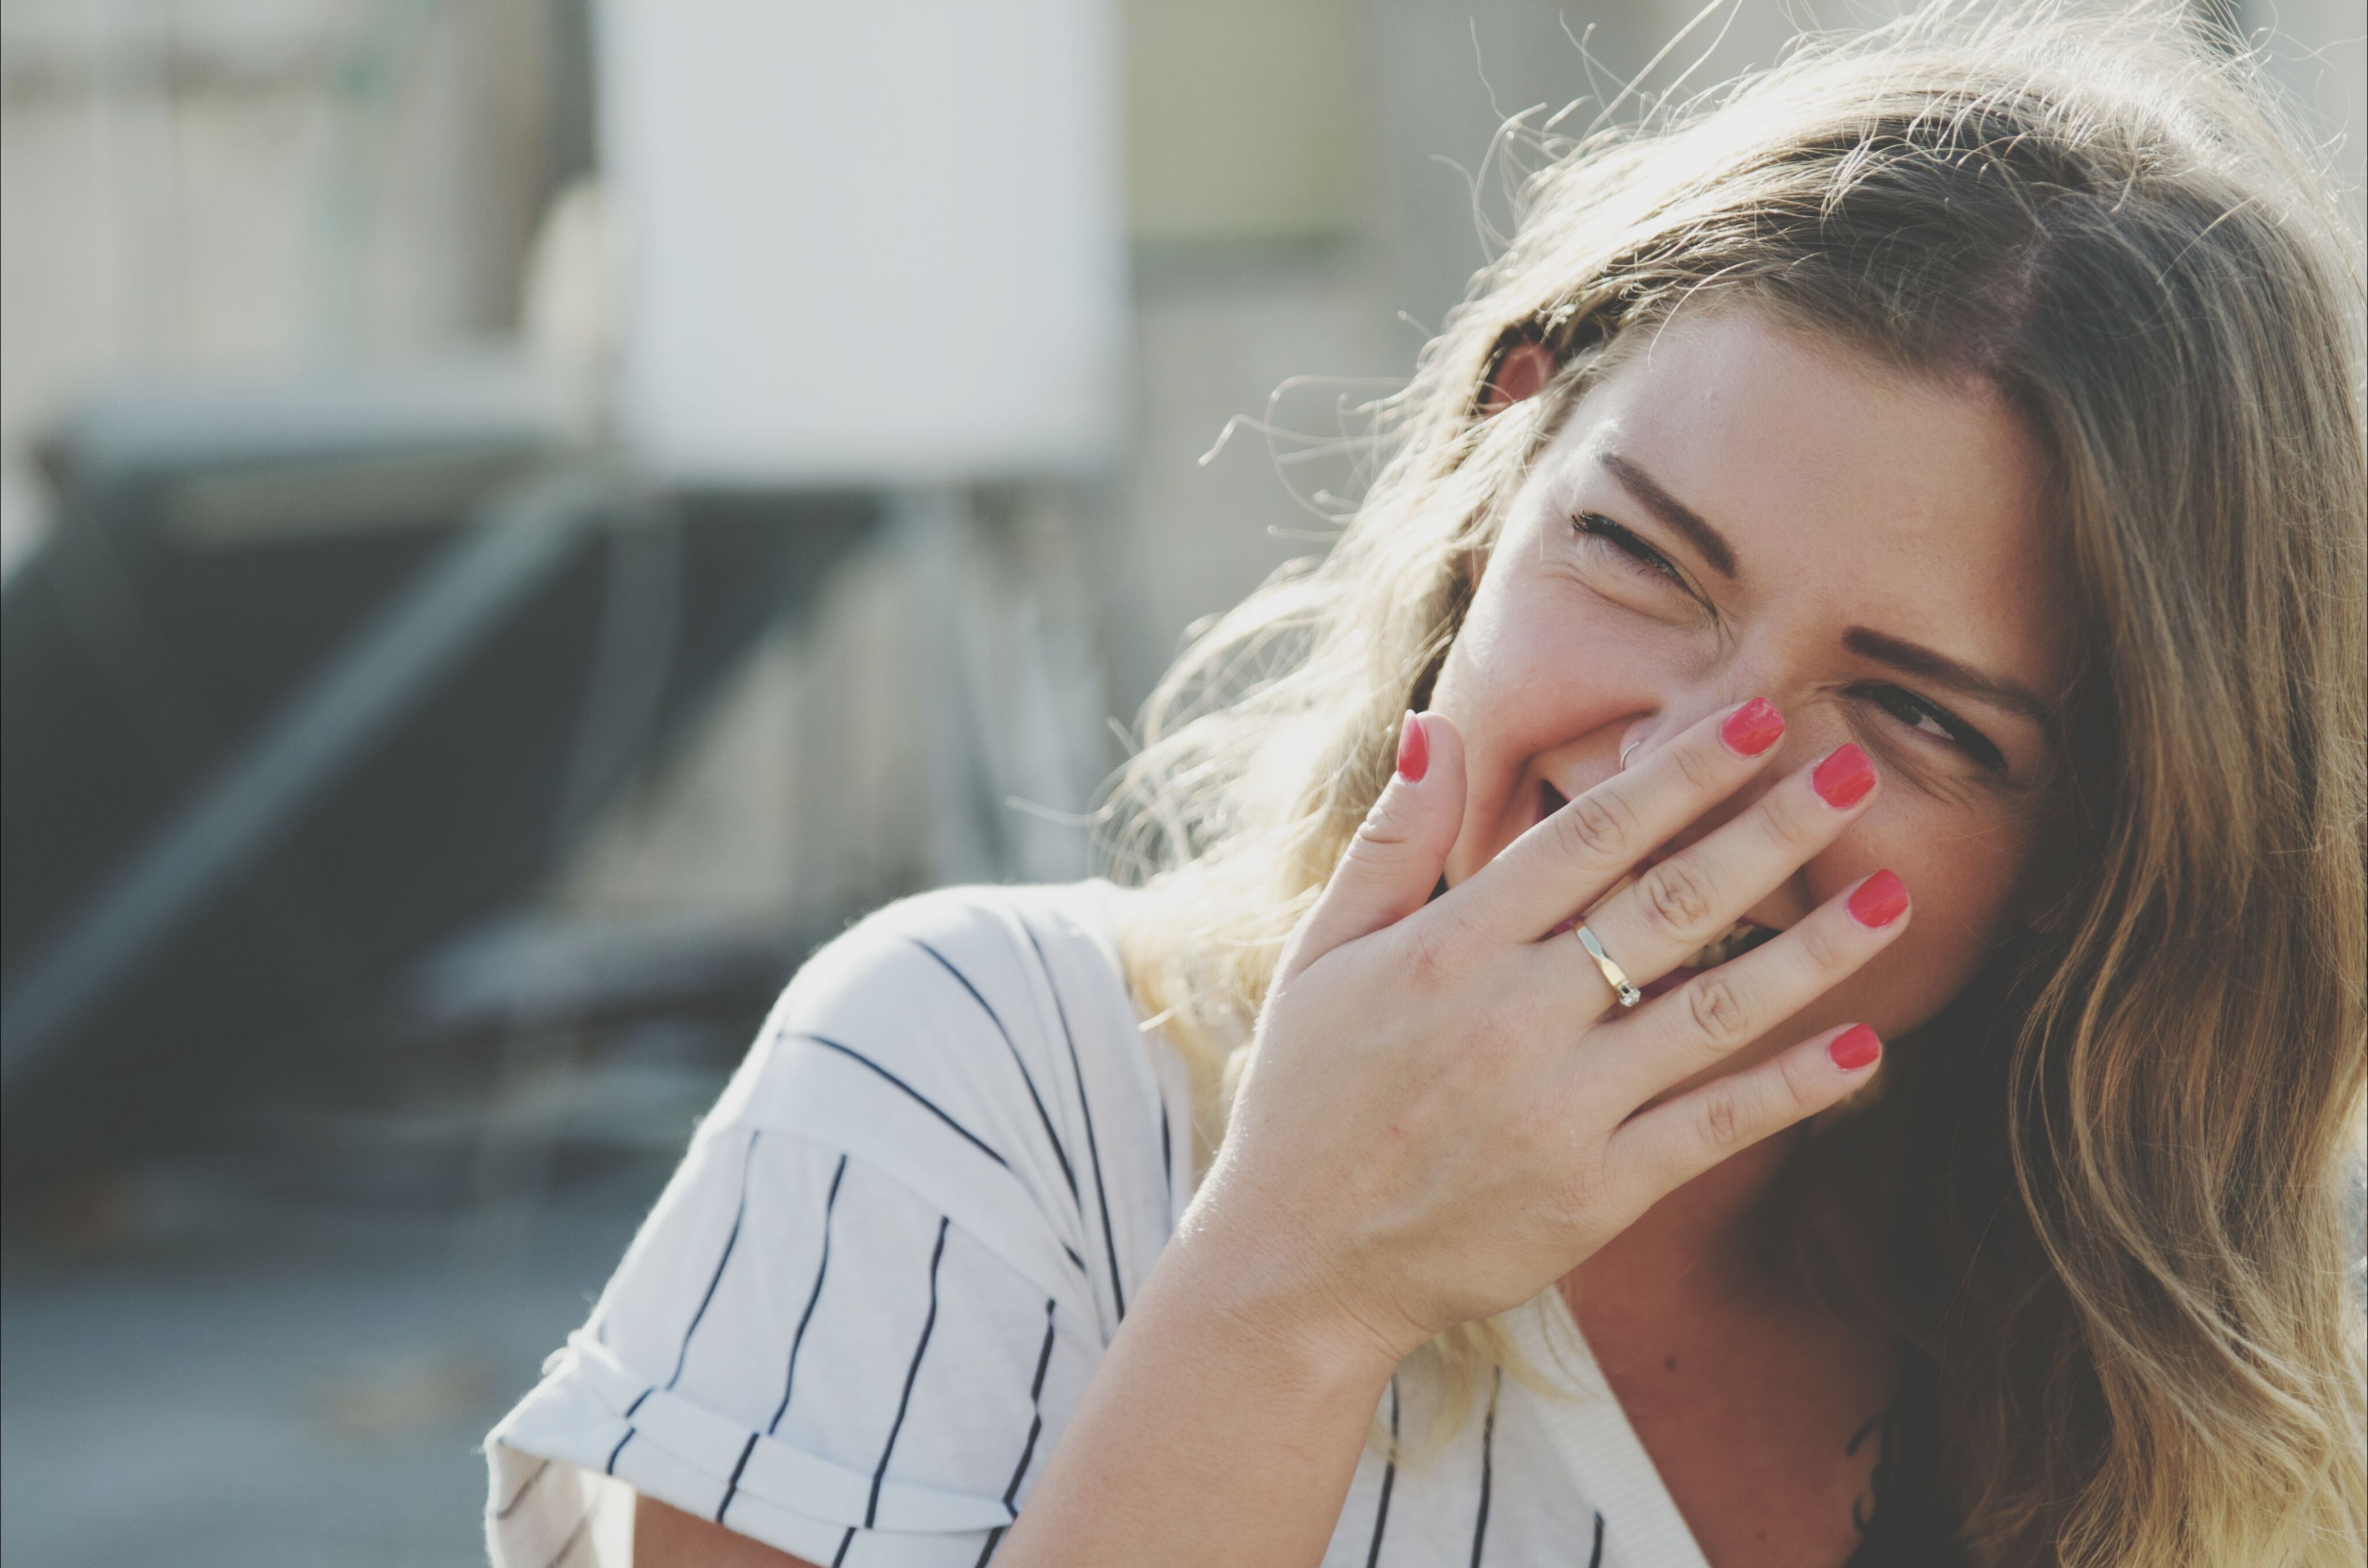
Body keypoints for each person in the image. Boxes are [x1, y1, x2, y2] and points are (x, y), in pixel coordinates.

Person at [482, 3, 2366, 1564]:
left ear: (2101, 846)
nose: (1687, 773)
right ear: (1492, 497)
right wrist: (1294, 1290)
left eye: (1920, 719)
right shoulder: (990, 1076)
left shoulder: (2168, 1386)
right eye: (1641, 560)